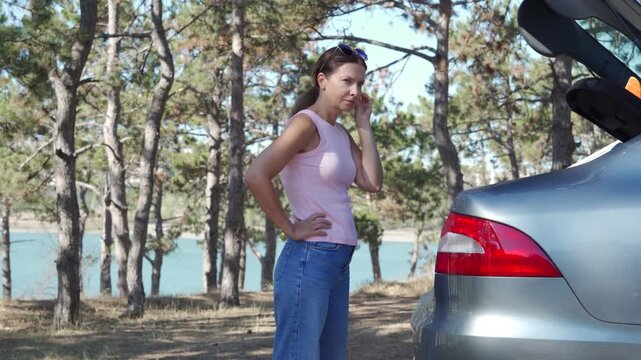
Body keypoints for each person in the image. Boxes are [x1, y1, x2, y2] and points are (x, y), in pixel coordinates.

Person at [244, 44, 383, 360]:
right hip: (310, 258)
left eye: (360, 83)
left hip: (337, 260)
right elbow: (256, 174)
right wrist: (290, 228)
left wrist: (363, 124)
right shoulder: (305, 124)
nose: (355, 90)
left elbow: (372, 182)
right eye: (347, 81)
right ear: (322, 80)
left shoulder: (340, 133)